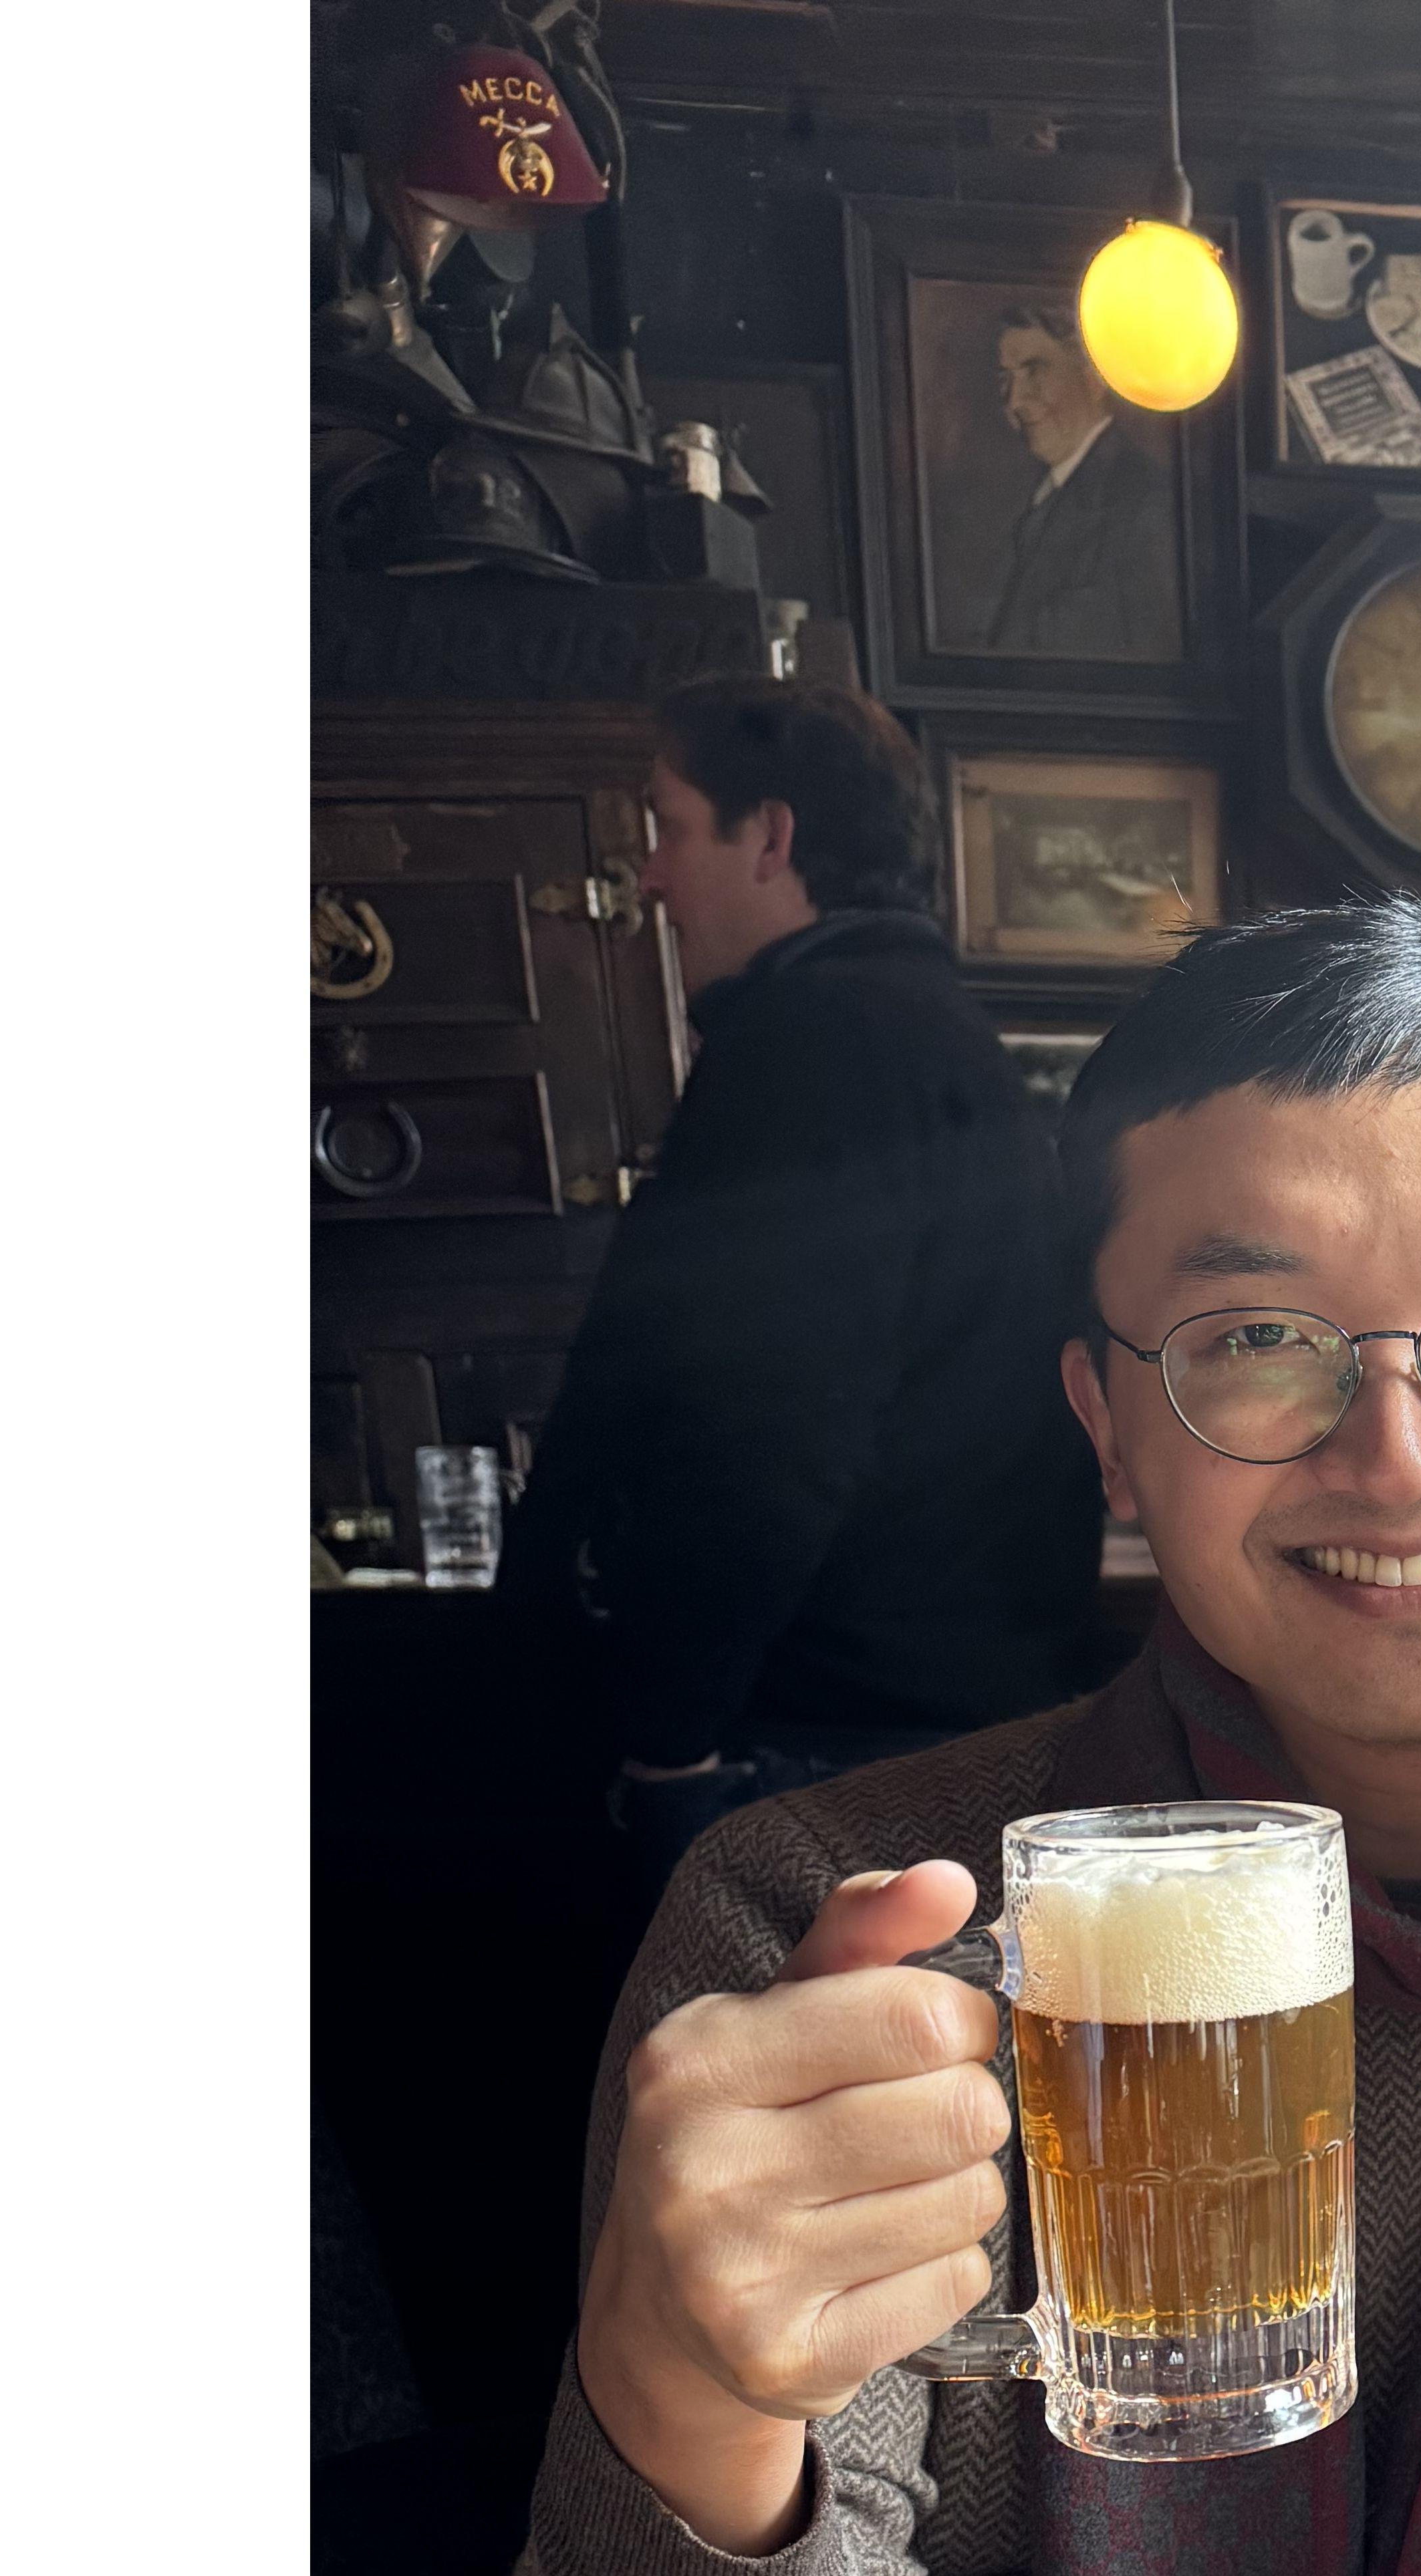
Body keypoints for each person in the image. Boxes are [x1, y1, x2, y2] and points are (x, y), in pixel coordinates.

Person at [394, 900, 1421, 2576]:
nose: (1398, 1449)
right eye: (1256, 1341)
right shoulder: (837, 1914)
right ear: (1106, 1420)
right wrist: (690, 2398)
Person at [507, 681, 1104, 1889]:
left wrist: (669, 1740)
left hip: (814, 1742)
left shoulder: (816, 1044)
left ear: (771, 836)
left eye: (669, 826)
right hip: (922, 1713)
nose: (653, 879)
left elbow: (761, 1429)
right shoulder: (925, 1031)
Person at [985, 299, 1176, 660]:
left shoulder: (1144, 505)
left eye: (1034, 371)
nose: (1014, 401)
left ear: (1094, 376)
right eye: (1004, 379)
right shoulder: (1043, 497)